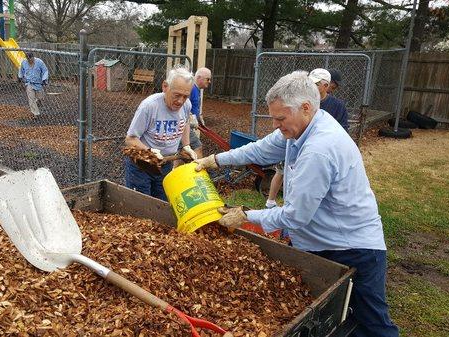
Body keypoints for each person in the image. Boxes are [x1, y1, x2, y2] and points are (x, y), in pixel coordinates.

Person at [194, 70, 399, 337]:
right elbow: (260, 149)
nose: (276, 125)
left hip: (353, 245)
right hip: (318, 240)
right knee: (322, 314)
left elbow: (296, 216)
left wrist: (245, 215)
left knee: (373, 322)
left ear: (305, 107)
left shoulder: (319, 149)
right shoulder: (304, 124)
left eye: (280, 118)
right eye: (274, 118)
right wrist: (215, 160)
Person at [125, 65, 198, 201]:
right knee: (141, 205)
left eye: (185, 96)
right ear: (165, 86)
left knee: (161, 203)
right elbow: (130, 139)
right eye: (177, 95)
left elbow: (185, 121)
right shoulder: (149, 107)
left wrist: (186, 145)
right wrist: (150, 151)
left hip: (165, 165)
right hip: (142, 165)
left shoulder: (186, 105)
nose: (181, 101)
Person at [181, 67, 212, 159]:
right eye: (208, 79)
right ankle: (198, 169)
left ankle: (176, 170)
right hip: (184, 125)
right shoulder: (191, 89)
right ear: (199, 78)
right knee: (197, 146)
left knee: (182, 152)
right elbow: (182, 105)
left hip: (186, 125)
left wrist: (199, 118)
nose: (209, 81)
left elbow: (194, 107)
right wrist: (191, 117)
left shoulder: (196, 89)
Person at [18, 52, 49, 116]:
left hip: (38, 83)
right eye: (28, 59)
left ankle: (39, 100)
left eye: (30, 58)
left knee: (40, 97)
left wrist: (44, 79)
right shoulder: (24, 63)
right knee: (31, 98)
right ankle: (35, 113)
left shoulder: (39, 62)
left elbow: (45, 70)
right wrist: (20, 77)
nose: (29, 60)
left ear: (33, 57)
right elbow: (21, 70)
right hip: (29, 83)